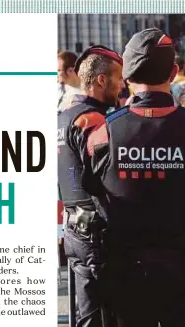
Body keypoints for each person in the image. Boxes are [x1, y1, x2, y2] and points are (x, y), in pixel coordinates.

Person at [89, 28, 185, 327]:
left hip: (126, 272)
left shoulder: (103, 134)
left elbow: (91, 186)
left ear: (127, 76)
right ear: (175, 72)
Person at [57, 45, 123, 327]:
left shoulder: (64, 114)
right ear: (101, 80)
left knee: (85, 313)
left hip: (74, 228)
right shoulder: (92, 120)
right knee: (100, 316)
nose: (122, 85)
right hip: (96, 233)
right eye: (119, 78)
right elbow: (106, 177)